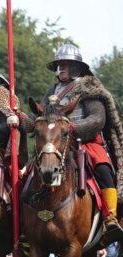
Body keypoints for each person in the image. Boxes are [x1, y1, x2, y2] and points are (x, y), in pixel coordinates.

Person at [40, 43, 123, 242]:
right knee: (30, 172)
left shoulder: (89, 87)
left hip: (84, 143)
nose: (62, 68)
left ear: (77, 67)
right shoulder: (52, 91)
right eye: (59, 65)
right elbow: (41, 118)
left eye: (66, 64)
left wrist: (72, 128)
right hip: (56, 144)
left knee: (102, 169)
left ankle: (110, 217)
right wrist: (19, 118)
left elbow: (97, 119)